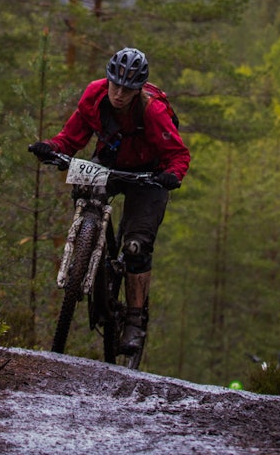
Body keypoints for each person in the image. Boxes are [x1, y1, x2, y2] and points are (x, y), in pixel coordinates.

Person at [28, 46, 189, 355]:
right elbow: (70, 138)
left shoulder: (152, 111)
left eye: (127, 89)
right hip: (110, 163)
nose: (119, 93)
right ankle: (88, 245)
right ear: (108, 79)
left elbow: (178, 155)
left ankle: (134, 319)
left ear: (138, 89)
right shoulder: (95, 95)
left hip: (150, 174)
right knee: (87, 194)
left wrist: (172, 175)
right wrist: (51, 147)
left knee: (136, 246)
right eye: (115, 85)